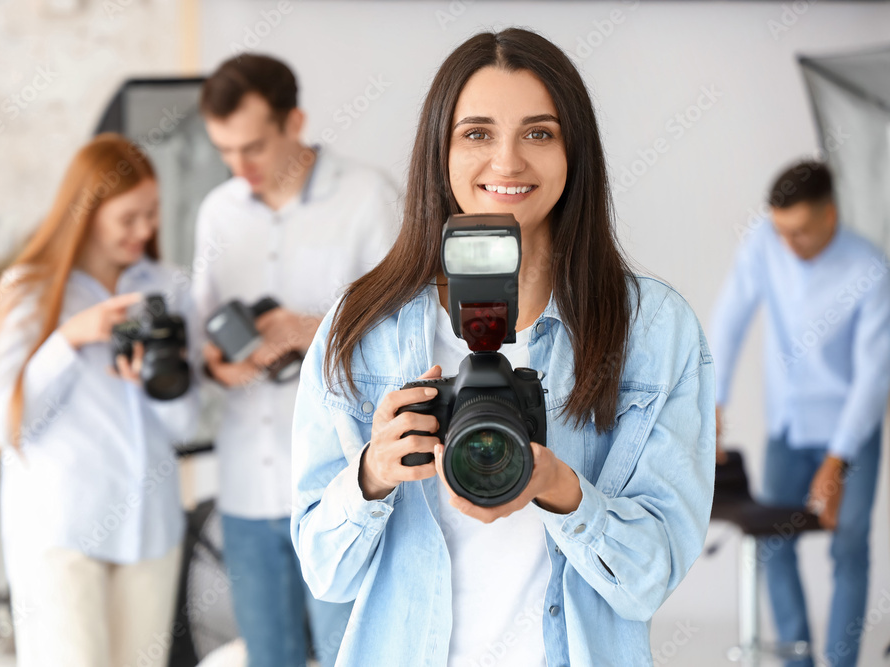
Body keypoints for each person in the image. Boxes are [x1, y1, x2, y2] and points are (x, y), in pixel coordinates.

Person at [290, 28, 715, 667]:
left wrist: (558, 487)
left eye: (539, 133)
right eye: (478, 133)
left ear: (576, 151)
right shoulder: (363, 329)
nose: (509, 162)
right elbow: (326, 576)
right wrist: (372, 476)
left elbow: (650, 577)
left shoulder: (651, 330)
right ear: (441, 149)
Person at [192, 54, 398, 667]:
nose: (239, 167)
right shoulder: (217, 211)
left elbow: (405, 336)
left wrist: (303, 329)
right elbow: (203, 337)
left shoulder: (369, 199)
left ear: (295, 121)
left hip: (344, 485)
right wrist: (216, 364)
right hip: (247, 488)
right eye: (224, 151)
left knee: (350, 654)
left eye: (252, 146)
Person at [0, 134, 199, 667]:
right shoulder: (29, 289)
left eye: (151, 214)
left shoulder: (165, 289)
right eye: (129, 218)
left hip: (152, 530)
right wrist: (69, 339)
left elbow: (185, 425)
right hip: (61, 536)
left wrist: (152, 380)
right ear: (88, 210)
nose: (144, 230)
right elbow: (1, 425)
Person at [712, 161, 890, 667]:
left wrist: (836, 464)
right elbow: (729, 320)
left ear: (831, 215)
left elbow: (874, 377)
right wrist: (714, 402)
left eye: (802, 231)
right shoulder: (764, 242)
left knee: (849, 548)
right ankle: (799, 661)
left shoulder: (870, 269)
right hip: (787, 430)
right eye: (781, 230)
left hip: (851, 431)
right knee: (773, 544)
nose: (789, 244)